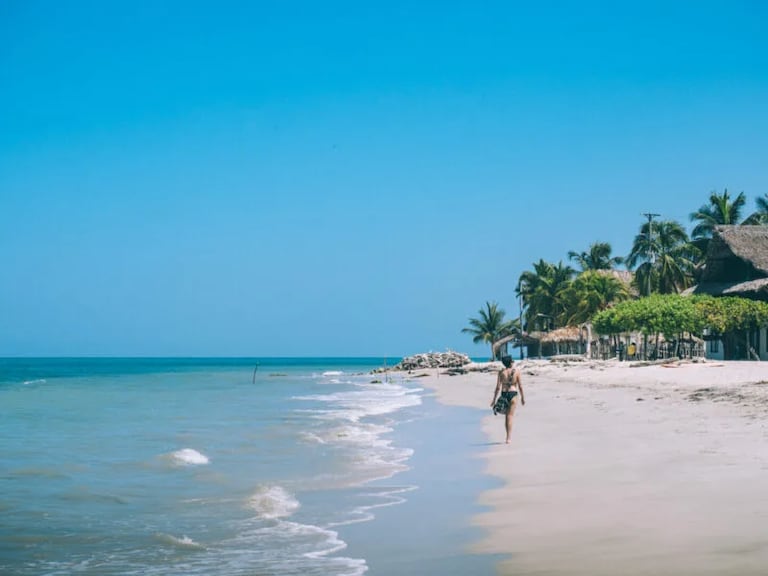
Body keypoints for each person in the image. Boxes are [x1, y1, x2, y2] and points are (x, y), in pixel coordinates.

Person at [490, 356, 525, 444]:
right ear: (511, 362)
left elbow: (498, 387)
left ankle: (507, 438)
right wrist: (523, 398)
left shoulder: (501, 372)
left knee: (507, 417)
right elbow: (520, 386)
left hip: (504, 394)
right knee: (510, 416)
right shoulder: (517, 372)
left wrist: (494, 400)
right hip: (513, 394)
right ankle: (509, 438)